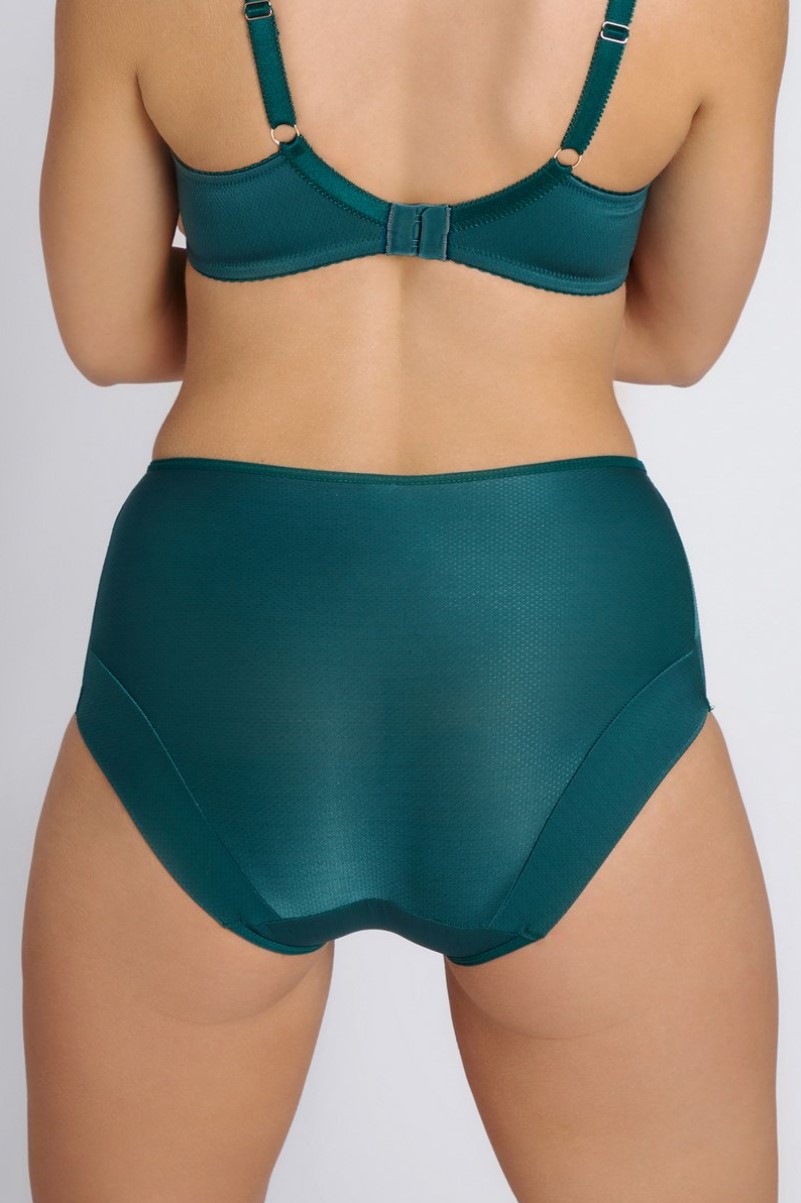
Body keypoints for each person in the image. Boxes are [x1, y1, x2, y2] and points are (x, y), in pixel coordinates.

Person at [22, 0, 786, 1199]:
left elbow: (109, 330)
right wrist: (522, 306)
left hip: (222, 644)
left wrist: (272, 300)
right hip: (559, 645)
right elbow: (680, 336)